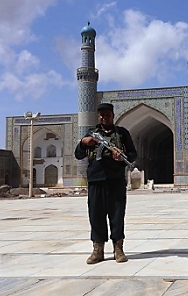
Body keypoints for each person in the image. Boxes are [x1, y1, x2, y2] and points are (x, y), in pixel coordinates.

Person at [75, 103, 137, 264]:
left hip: (115, 180)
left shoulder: (122, 133)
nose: (104, 117)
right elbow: (78, 154)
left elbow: (133, 154)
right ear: (98, 116)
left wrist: (122, 156)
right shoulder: (91, 133)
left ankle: (118, 249)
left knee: (117, 214)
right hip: (96, 180)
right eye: (101, 114)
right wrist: (83, 142)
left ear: (113, 115)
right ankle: (98, 250)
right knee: (96, 215)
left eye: (107, 114)